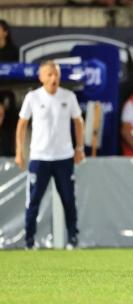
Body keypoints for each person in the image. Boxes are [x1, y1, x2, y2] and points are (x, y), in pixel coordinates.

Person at [15, 61, 85, 249]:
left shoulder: (68, 96)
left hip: (63, 157)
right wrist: (19, 152)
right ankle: (29, 241)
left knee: (69, 199)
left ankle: (72, 239)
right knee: (33, 201)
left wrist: (79, 148)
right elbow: (22, 125)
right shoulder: (33, 97)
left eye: (56, 74)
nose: (53, 78)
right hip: (39, 157)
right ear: (41, 77)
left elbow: (78, 121)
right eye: (49, 74)